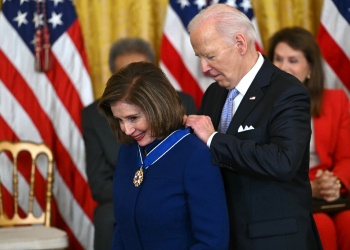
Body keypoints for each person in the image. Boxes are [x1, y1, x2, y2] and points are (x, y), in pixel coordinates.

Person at [185, 4, 323, 250]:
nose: (204, 68)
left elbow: (283, 162)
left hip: (274, 240)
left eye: (210, 56)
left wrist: (214, 139)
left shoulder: (288, 92)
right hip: (224, 236)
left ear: (240, 43)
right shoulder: (213, 94)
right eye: (200, 57)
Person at [98, 61, 229, 249]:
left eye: (133, 118)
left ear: (159, 107)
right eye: (119, 120)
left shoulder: (194, 156)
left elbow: (212, 243)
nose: (126, 130)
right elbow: (121, 227)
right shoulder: (127, 151)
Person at [81, 38, 196, 249]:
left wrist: (155, 195)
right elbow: (99, 185)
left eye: (140, 76)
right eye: (124, 75)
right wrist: (137, 194)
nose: (132, 83)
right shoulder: (94, 115)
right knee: (109, 216)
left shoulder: (183, 102)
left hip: (170, 195)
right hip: (120, 198)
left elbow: (190, 168)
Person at [268, 27, 350, 250]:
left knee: (348, 223)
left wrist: (335, 183)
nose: (284, 67)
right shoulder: (261, 104)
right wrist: (307, 187)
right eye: (278, 59)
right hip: (290, 190)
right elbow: (265, 161)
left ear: (310, 67)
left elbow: (346, 157)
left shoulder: (336, 100)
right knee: (320, 226)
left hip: (329, 188)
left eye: (293, 60)